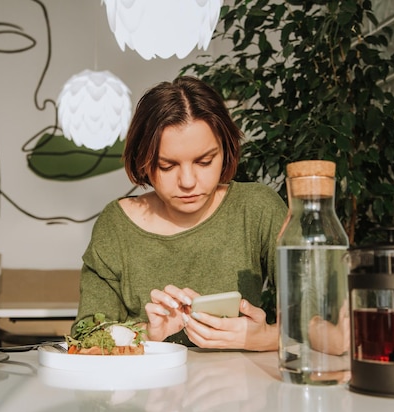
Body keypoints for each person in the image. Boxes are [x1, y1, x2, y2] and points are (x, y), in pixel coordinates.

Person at [74, 76, 287, 351]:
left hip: (240, 389)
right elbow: (85, 337)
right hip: (144, 392)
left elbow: (328, 319)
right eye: (167, 166)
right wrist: (147, 334)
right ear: (144, 161)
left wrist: (267, 337)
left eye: (204, 161)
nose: (188, 181)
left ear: (226, 149)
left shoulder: (257, 208)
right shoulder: (116, 225)